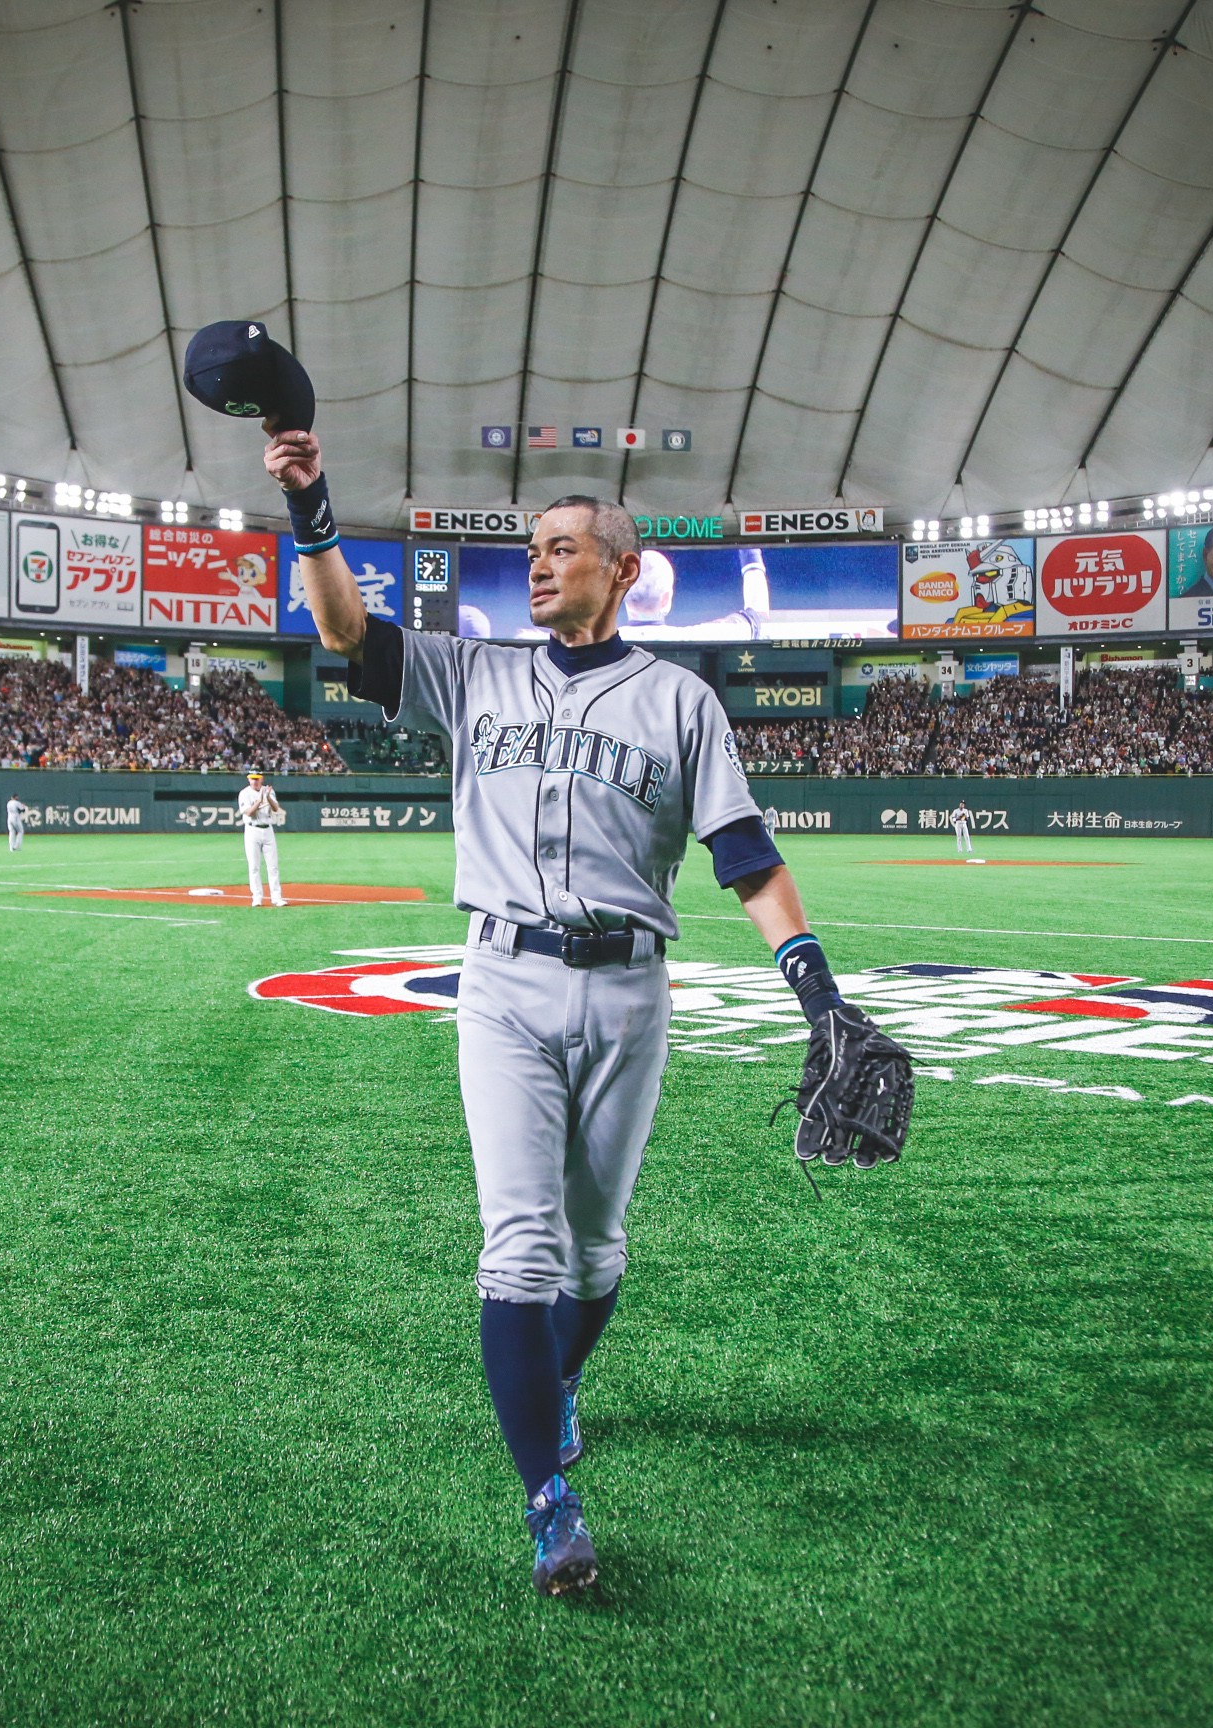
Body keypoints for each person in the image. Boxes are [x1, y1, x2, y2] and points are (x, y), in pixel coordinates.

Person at [268, 430, 858, 1597]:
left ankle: (561, 1379)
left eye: (565, 548)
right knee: (522, 1243)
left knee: (595, 1248)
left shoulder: (681, 702)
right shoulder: (473, 674)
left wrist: (819, 993)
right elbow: (344, 633)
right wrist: (311, 504)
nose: (540, 565)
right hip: (503, 983)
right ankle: (548, 1498)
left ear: (622, 570)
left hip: (630, 990)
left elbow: (745, 857)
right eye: (534, 549)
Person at [237, 770, 285, 907]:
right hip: (252, 830)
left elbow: (276, 808)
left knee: (273, 866)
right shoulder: (244, 793)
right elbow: (249, 812)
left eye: (257, 778)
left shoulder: (268, 791)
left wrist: (268, 797)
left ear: (262, 779)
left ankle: (276, 897)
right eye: (252, 778)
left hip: (268, 830)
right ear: (248, 779)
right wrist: (260, 800)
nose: (255, 781)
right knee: (254, 866)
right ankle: (257, 897)